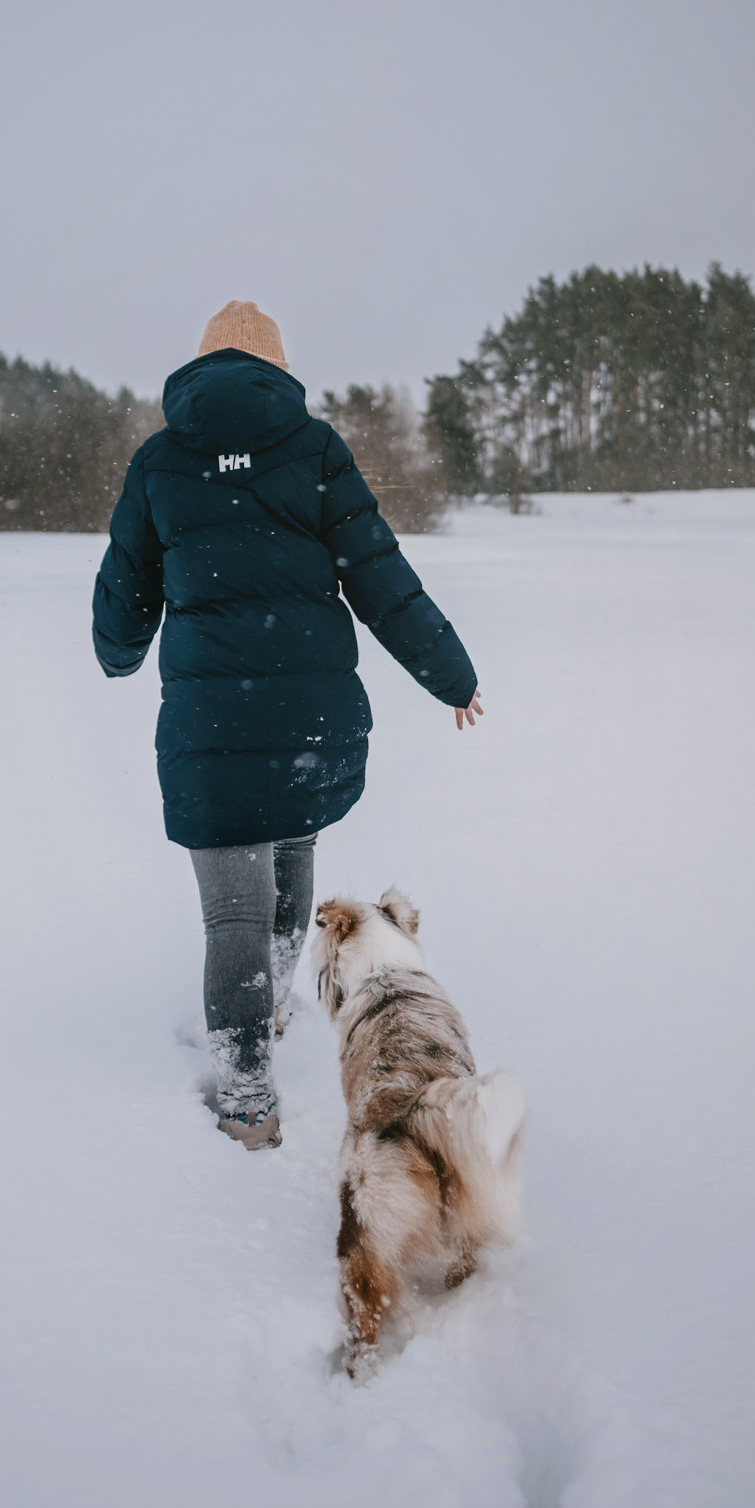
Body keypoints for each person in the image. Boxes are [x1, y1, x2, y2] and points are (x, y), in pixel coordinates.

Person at [91, 301, 481, 1150]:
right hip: (310, 713)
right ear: (276, 371)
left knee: (229, 913)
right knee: (291, 844)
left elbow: (126, 590)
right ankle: (268, 1006)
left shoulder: (160, 461)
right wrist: (451, 674)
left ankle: (245, 1096)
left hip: (210, 718)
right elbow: (380, 573)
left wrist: (117, 653)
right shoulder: (313, 449)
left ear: (198, 371)